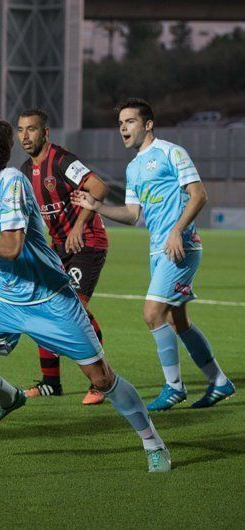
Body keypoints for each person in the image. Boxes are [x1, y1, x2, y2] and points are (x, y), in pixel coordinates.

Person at [0, 112, 170, 472]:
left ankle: (153, 442)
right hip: (3, 299)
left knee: (101, 378)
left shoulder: (13, 182)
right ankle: (9, 399)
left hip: (50, 298)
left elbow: (11, 248)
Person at [72, 98, 234, 411]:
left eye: (129, 122)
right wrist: (97, 208)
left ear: (148, 124)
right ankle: (219, 382)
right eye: (120, 123)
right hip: (158, 250)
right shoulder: (133, 168)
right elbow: (133, 215)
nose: (123, 128)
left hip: (181, 246)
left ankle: (174, 388)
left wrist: (177, 231)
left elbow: (199, 196)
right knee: (179, 322)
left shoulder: (171, 152)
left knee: (151, 313)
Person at [17, 109, 109, 405]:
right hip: (57, 249)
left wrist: (79, 227)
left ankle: (102, 381)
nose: (24, 136)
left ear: (46, 133)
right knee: (43, 310)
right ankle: (51, 383)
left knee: (74, 312)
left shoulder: (61, 160)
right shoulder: (22, 172)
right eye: (20, 130)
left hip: (87, 243)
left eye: (31, 129)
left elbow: (99, 187)